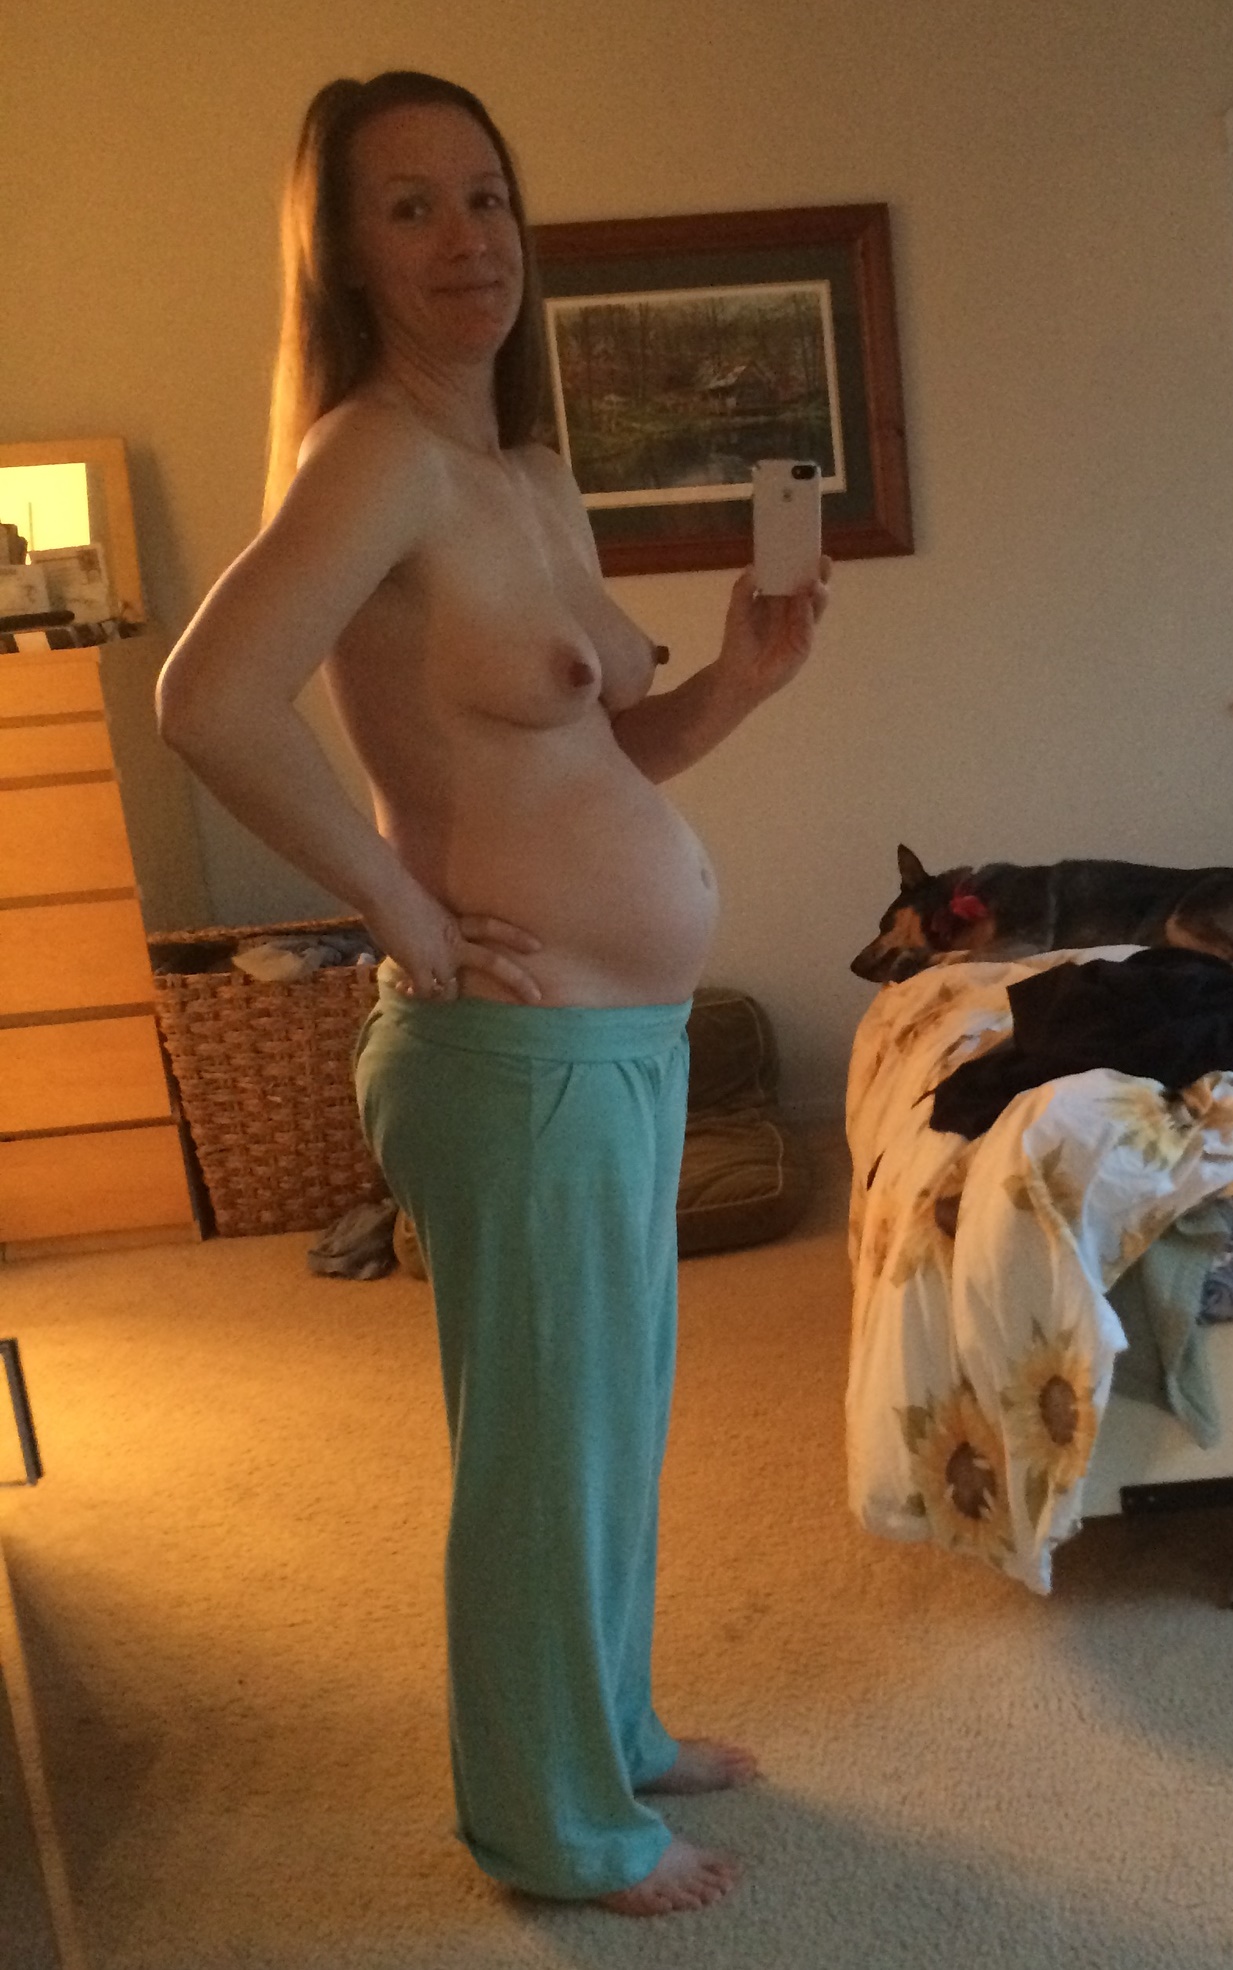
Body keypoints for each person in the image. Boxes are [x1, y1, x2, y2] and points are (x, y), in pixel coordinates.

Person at [156, 69, 828, 1918]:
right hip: (510, 1053)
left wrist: (742, 681)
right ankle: (552, 1826)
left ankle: (606, 1726)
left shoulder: (526, 473)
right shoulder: (371, 454)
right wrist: (398, 904)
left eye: (488, 197)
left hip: (615, 1045)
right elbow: (208, 700)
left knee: (609, 1429)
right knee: (542, 1459)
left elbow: (599, 755)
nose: (469, 240)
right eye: (412, 208)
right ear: (345, 256)